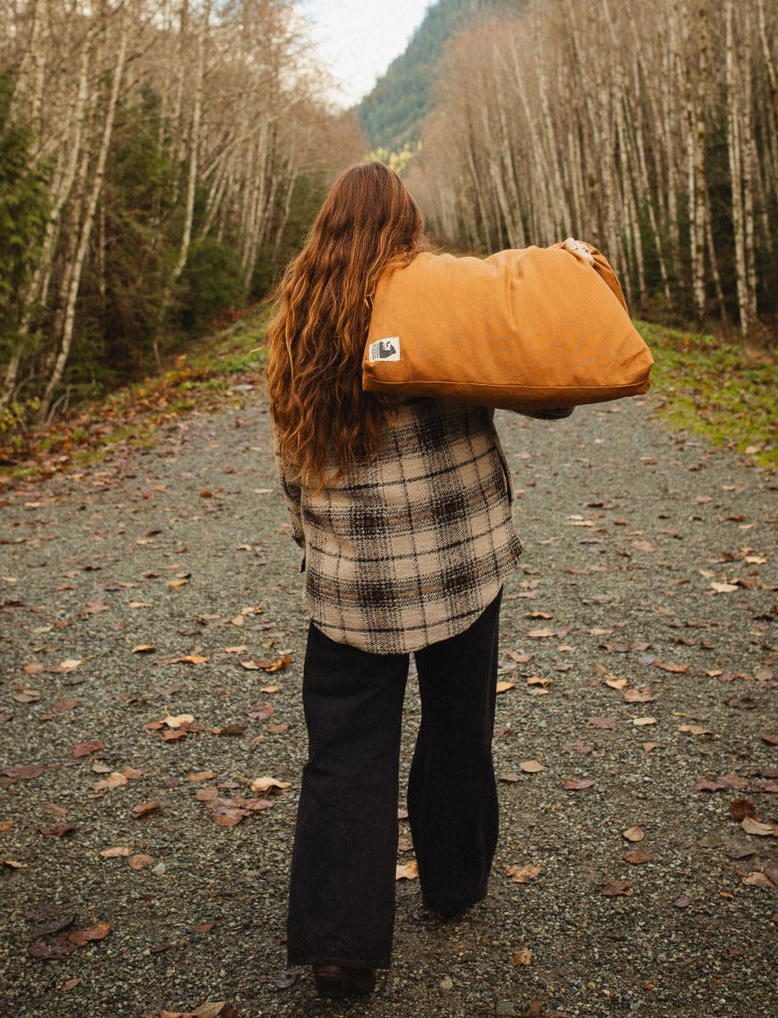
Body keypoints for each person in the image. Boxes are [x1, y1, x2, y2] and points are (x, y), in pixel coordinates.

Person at [266, 162, 552, 999]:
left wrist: (313, 547)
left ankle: (338, 949)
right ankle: (454, 886)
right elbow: (543, 391)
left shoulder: (300, 320)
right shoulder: (441, 301)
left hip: (351, 581)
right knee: (460, 729)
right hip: (461, 562)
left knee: (345, 756)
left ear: (329, 227)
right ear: (408, 225)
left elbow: (292, 462)